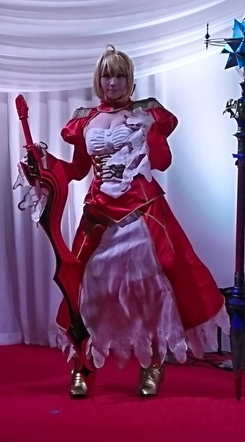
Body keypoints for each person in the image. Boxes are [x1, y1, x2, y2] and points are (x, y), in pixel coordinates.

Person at [39, 45, 228, 398]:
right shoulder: (84, 120)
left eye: (119, 75)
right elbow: (77, 169)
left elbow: (162, 162)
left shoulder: (148, 113)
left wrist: (152, 133)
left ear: (130, 79)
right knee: (86, 293)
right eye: (107, 76)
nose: (112, 82)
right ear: (98, 80)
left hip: (141, 213)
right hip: (98, 215)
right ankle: (82, 365)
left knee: (149, 292)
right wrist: (44, 163)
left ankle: (152, 364)